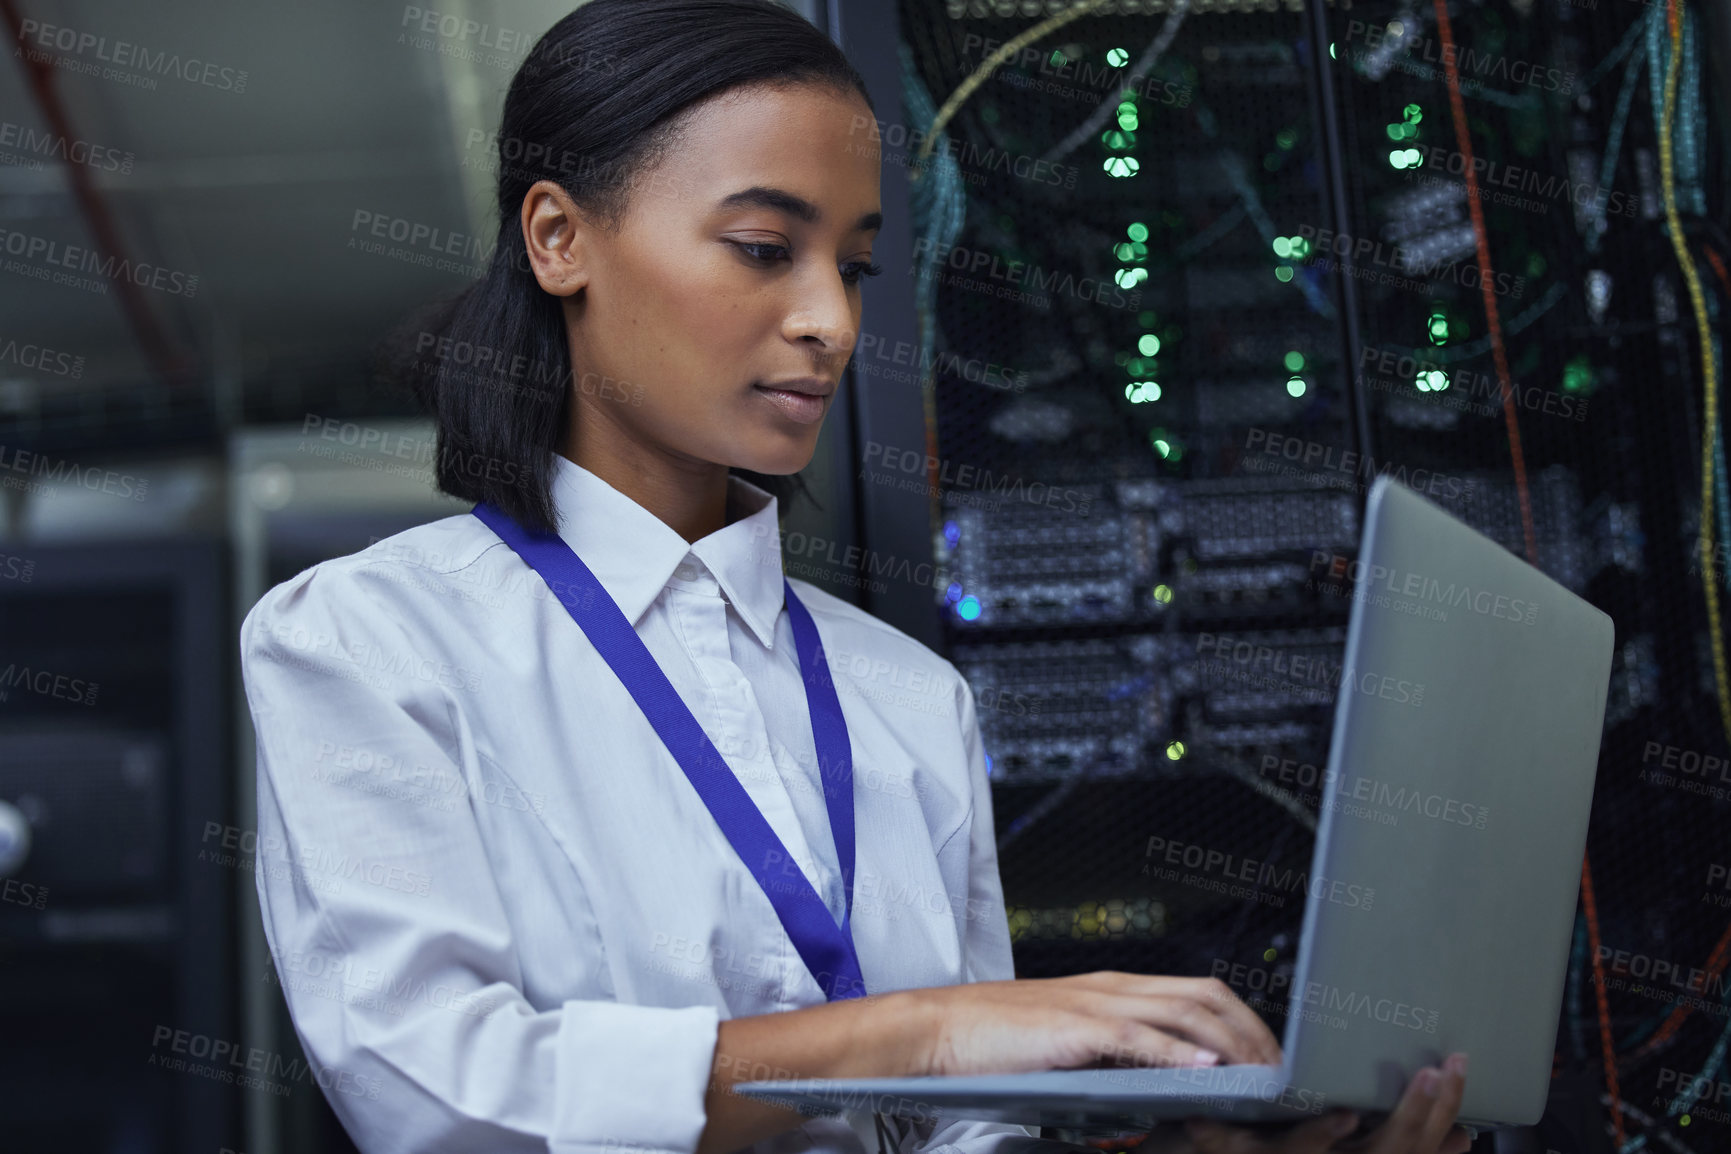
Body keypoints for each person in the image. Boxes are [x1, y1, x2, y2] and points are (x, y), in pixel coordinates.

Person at [239, 1, 1472, 1152]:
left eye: (858, 265)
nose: (831, 317)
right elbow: (436, 1089)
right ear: (561, 238)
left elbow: (970, 1133)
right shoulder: (368, 640)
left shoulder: (907, 695)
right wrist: (927, 1033)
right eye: (765, 247)